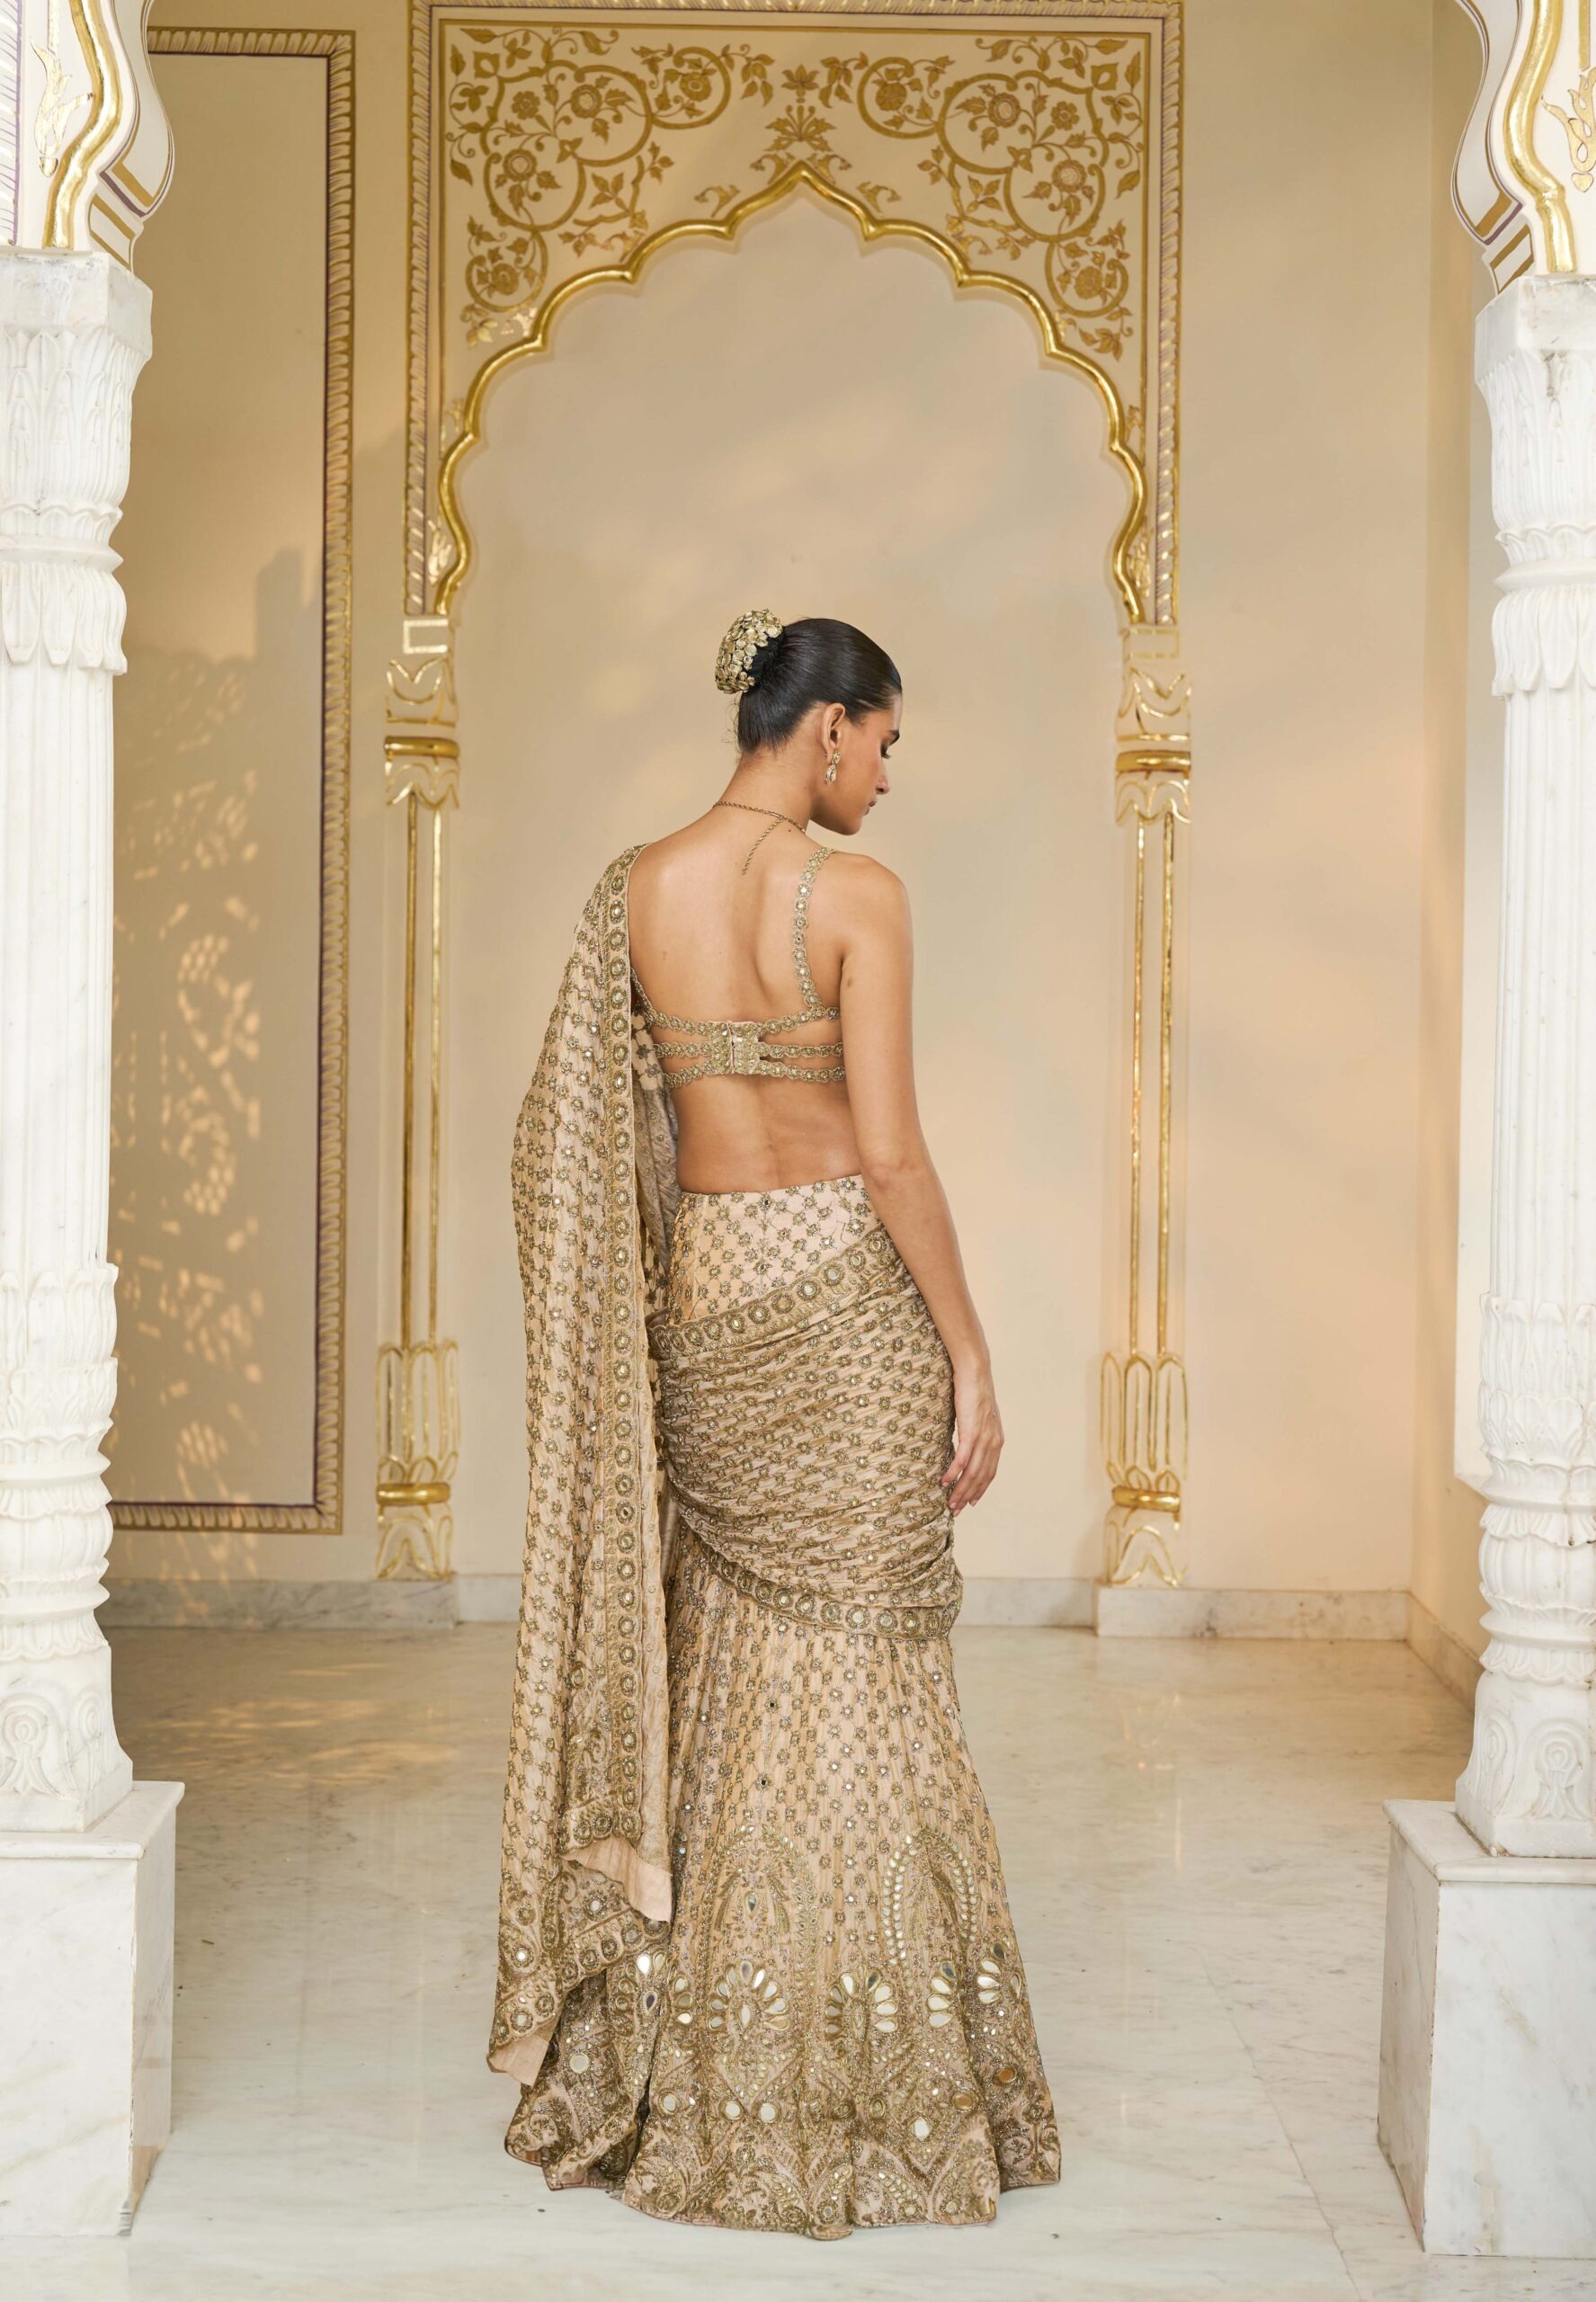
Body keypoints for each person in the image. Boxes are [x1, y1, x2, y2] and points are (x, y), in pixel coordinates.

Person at [488, 611, 1060, 2239]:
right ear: (825, 727)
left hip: (706, 1305)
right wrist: (971, 1352)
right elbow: (892, 1156)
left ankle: (708, 2073)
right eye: (884, 742)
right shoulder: (857, 896)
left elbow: (563, 1147)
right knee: (872, 1691)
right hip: (844, 1299)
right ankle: (880, 2085)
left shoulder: (634, 893)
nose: (886, 773)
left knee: (731, 1678)